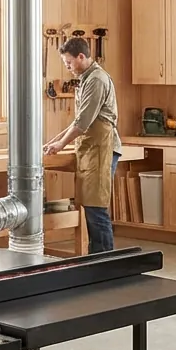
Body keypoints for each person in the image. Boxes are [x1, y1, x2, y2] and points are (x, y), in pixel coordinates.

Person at [44, 37, 122, 253]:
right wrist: (54, 141)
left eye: (68, 62)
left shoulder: (97, 79)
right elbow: (77, 120)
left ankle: (104, 261)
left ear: (81, 56)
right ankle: (95, 259)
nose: (67, 67)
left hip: (102, 147)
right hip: (91, 147)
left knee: (96, 207)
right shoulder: (86, 79)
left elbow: (83, 122)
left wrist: (60, 145)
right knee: (89, 205)